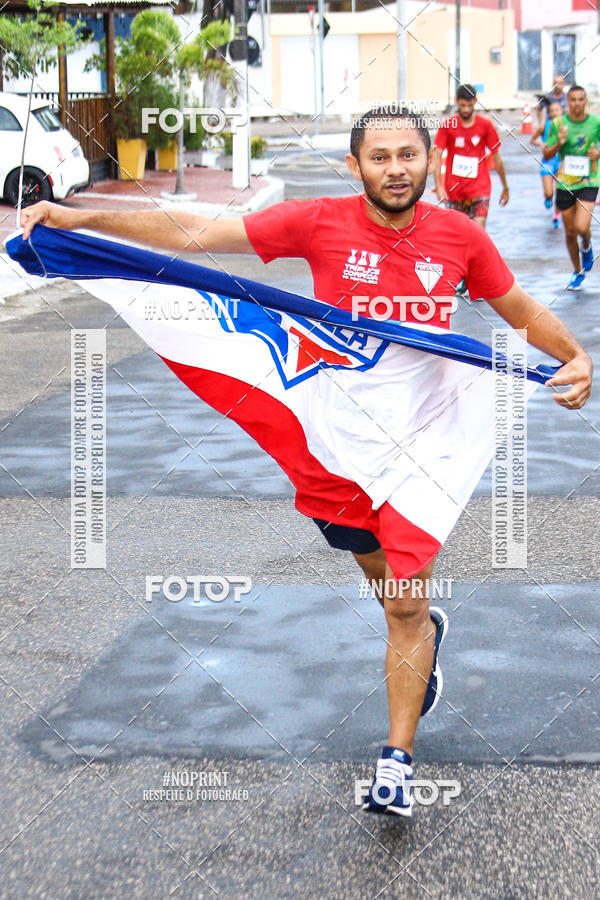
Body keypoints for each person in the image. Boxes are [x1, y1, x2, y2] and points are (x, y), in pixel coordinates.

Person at [20, 107, 592, 819]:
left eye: (408, 155)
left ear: (430, 161)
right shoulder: (319, 221)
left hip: (420, 444)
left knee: (405, 601)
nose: (395, 169)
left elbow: (520, 310)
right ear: (356, 167)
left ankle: (396, 759)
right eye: (379, 157)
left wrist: (572, 355)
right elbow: (198, 232)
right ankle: (422, 632)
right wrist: (74, 219)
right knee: (387, 586)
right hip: (334, 442)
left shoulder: (460, 237)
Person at [543, 84, 600, 290]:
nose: (577, 103)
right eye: (573, 99)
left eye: (580, 99)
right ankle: (577, 271)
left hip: (589, 180)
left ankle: (586, 244)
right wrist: (559, 142)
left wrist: (598, 154)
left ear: (586, 101)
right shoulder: (559, 123)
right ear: (567, 102)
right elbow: (546, 154)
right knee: (569, 232)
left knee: (582, 227)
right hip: (565, 183)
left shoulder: (595, 122)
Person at [433, 83, 509, 230]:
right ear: (456, 101)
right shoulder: (448, 126)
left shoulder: (485, 126)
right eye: (462, 105)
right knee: (458, 237)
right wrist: (438, 185)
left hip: (479, 190)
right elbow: (437, 155)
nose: (466, 109)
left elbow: (496, 157)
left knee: (478, 234)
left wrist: (505, 187)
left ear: (475, 101)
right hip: (454, 192)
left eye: (469, 105)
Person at [531, 99, 562, 228]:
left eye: (557, 110)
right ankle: (548, 197)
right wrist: (540, 143)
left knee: (560, 192)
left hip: (561, 162)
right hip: (547, 162)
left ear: (561, 111)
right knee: (549, 193)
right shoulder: (545, 126)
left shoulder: (566, 126)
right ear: (549, 113)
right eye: (552, 111)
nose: (554, 113)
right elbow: (532, 140)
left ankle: (556, 216)